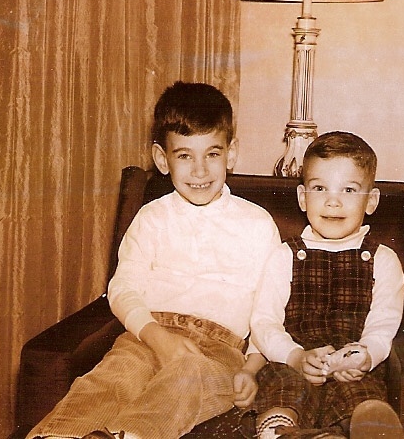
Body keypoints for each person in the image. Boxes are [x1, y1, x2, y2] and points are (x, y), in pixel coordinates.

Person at [28, 81, 281, 439]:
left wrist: (251, 368)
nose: (200, 171)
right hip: (148, 334)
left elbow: (269, 311)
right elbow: (122, 287)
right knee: (113, 377)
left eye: (212, 154)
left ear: (232, 153)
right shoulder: (151, 217)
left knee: (186, 378)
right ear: (162, 159)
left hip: (220, 352)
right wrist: (156, 337)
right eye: (184, 156)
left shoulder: (257, 224)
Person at [249, 131, 404, 439]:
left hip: (351, 366)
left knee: (362, 397)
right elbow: (264, 322)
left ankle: (364, 429)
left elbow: (383, 325)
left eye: (349, 189)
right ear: (303, 197)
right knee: (284, 389)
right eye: (320, 188)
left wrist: (366, 355)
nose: (333, 201)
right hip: (293, 360)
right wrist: (294, 356)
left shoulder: (383, 260)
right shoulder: (284, 256)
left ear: (371, 201)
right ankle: (278, 431)